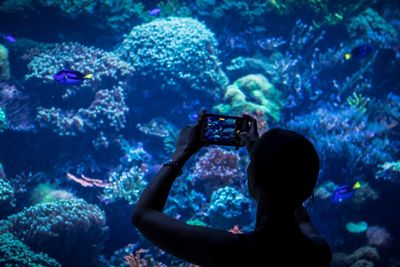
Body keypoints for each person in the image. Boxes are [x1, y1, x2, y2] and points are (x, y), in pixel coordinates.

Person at [132, 111, 332, 266]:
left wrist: (181, 153)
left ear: (252, 179)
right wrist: (259, 158)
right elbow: (289, 195)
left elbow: (142, 216)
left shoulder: (231, 251)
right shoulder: (319, 253)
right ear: (308, 190)